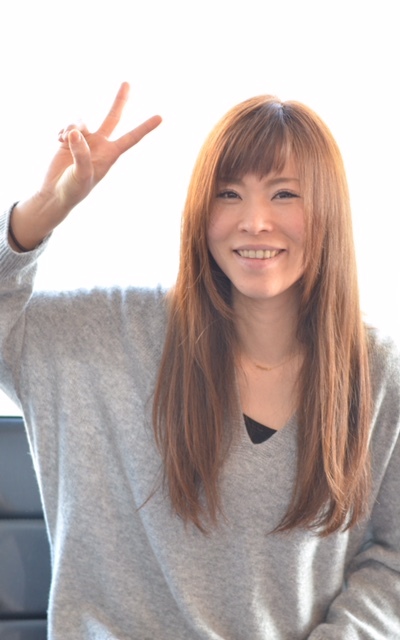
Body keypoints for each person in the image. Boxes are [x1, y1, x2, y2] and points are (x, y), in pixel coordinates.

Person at [0, 82, 399, 640]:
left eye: (284, 194)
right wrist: (37, 217)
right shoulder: (113, 332)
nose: (254, 221)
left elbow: (392, 560)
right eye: (229, 194)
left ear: (328, 210)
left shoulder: (378, 374)